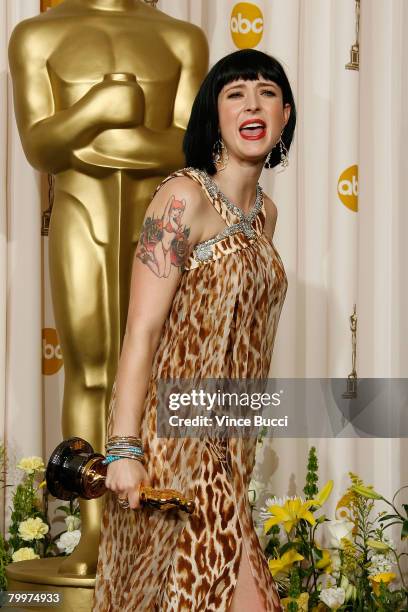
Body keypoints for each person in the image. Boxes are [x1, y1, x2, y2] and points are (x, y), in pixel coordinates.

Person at [92, 48, 296, 612]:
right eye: (236, 94)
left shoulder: (266, 216)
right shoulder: (184, 198)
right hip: (174, 442)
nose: (252, 104)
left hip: (227, 444)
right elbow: (142, 329)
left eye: (267, 93)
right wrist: (124, 449)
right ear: (214, 115)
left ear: (284, 116)